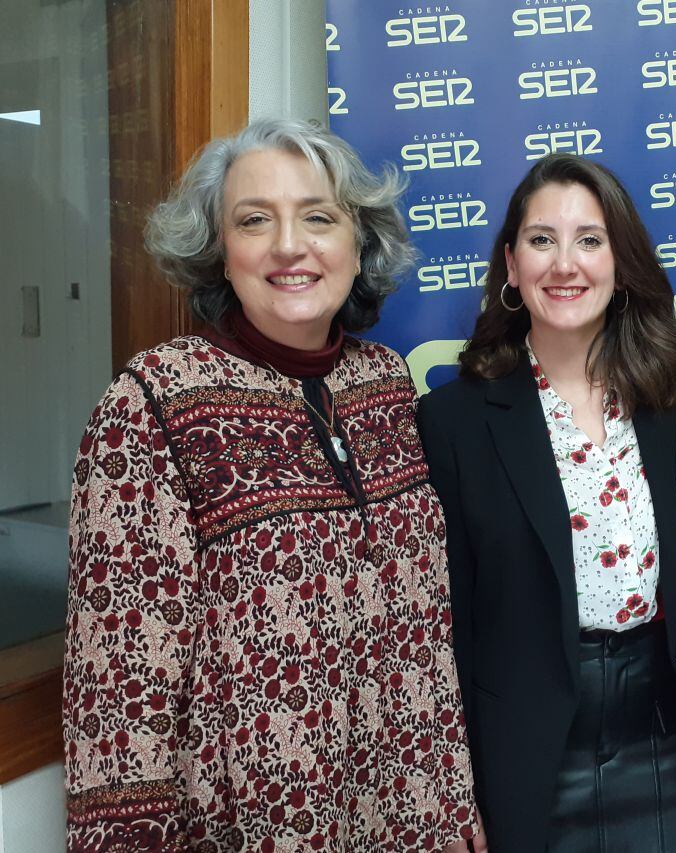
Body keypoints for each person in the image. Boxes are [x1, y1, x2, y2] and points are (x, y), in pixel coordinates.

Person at [63, 118, 483, 852]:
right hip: (253, 826)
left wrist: (454, 803)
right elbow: (119, 681)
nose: (290, 245)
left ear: (359, 244)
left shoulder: (382, 382)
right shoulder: (156, 400)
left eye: (318, 217)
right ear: (221, 252)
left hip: (410, 815)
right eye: (255, 220)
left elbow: (424, 633)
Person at [416, 153, 676, 853]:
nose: (565, 263)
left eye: (589, 239)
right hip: (526, 757)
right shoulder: (454, 420)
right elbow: (445, 625)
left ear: (621, 262)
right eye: (541, 239)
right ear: (512, 266)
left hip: (663, 742)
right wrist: (450, 786)